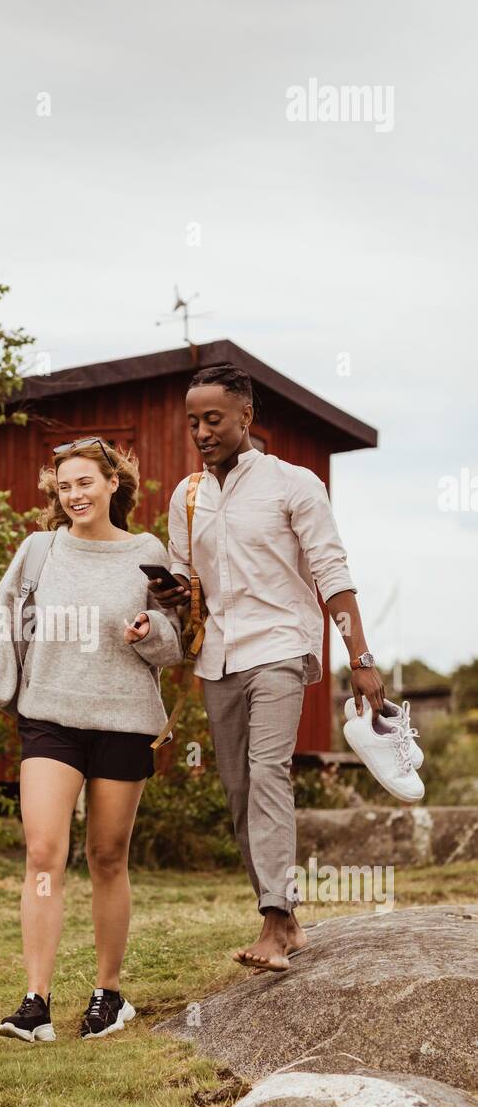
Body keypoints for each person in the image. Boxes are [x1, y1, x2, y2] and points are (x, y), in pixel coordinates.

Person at [154, 364, 385, 972]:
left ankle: (274, 923)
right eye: (193, 422)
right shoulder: (187, 496)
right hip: (218, 656)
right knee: (239, 791)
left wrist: (360, 657)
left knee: (268, 774)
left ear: (246, 417)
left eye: (214, 419)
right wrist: (172, 594)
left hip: (281, 648)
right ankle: (288, 919)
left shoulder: (294, 484)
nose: (202, 432)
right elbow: (186, 576)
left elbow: (332, 574)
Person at [0, 437, 184, 1040]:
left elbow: (178, 641)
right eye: (64, 486)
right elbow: (2, 626)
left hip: (125, 719)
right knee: (43, 853)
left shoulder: (148, 552)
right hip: (49, 717)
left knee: (108, 857)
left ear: (114, 484)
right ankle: (35, 1003)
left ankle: (108, 996)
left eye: (85, 482)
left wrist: (152, 629)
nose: (75, 494)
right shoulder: (39, 553)